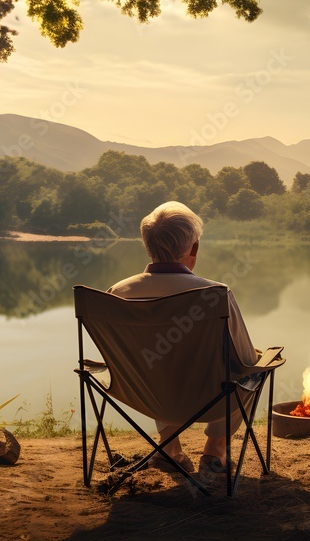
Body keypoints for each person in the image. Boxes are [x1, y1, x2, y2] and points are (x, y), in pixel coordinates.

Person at [108, 201, 260, 475]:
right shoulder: (215, 294)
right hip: (209, 401)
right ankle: (215, 450)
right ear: (194, 248)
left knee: (154, 364)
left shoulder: (119, 293)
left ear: (148, 246)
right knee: (252, 373)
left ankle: (169, 449)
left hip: (143, 393)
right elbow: (246, 359)